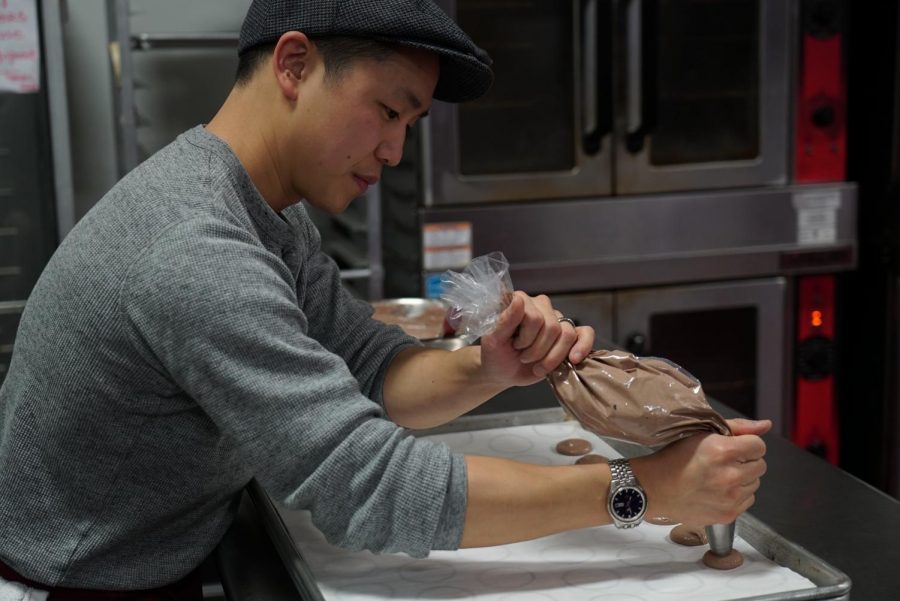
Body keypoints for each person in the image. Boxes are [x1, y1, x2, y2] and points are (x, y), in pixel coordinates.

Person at [0, 0, 770, 598]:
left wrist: (487, 366)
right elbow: (366, 486)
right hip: (74, 582)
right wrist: (642, 490)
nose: (396, 151)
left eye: (410, 122)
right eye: (389, 110)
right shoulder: (194, 246)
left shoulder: (267, 210)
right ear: (295, 64)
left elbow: (368, 369)